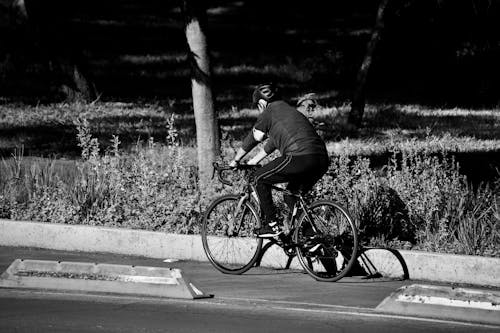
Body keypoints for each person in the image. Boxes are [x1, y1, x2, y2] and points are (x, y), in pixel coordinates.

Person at [229, 83, 329, 238]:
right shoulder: (290, 113)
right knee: (291, 195)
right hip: (321, 159)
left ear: (262, 103)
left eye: (257, 106)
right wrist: (252, 162)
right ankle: (312, 237)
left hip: (299, 157)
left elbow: (254, 138)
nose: (258, 109)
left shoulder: (269, 113)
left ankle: (271, 225)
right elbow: (273, 143)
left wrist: (236, 160)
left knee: (258, 179)